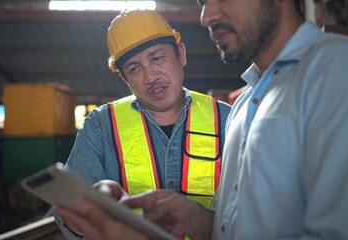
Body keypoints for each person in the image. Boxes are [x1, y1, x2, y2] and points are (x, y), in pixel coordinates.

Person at [56, 0, 348, 239]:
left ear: (180, 54)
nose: (206, 15)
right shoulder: (248, 104)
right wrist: (202, 222)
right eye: (204, 0)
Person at [52, 9, 231, 239]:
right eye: (134, 68)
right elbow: (67, 213)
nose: (150, 77)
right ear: (124, 78)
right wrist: (96, 212)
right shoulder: (101, 126)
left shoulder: (228, 120)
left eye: (157, 58)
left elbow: (250, 213)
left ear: (181, 54)